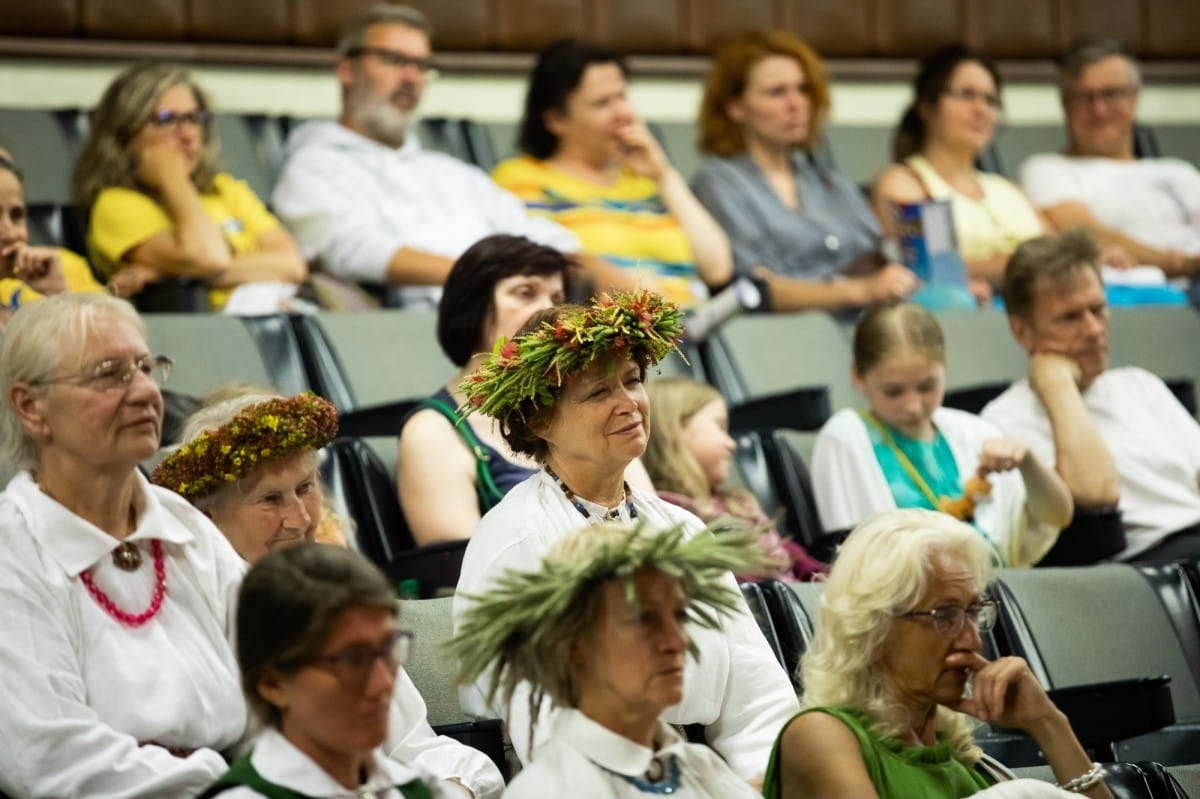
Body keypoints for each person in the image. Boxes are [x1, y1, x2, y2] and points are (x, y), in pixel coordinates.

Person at [453, 289, 798, 781]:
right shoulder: (513, 537)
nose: (629, 404)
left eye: (633, 381)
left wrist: (765, 782)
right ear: (538, 420)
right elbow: (532, 719)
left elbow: (759, 702)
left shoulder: (681, 529)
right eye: (598, 393)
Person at [154, 391, 506, 798]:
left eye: (305, 486)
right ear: (206, 514)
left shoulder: (333, 598)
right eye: (270, 499)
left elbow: (416, 747)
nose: (301, 519)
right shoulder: (179, 621)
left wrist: (457, 790)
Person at [0, 293, 246, 798]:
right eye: (110, 373)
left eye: (147, 367)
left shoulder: (183, 524)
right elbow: (50, 756)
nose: (145, 392)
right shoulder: (12, 550)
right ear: (30, 407)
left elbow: (280, 676)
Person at [272, 4, 628, 308]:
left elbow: (533, 233)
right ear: (347, 70)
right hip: (425, 332)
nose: (411, 77)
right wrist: (488, 280)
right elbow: (354, 249)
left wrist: (600, 272)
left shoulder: (451, 172)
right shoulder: (315, 164)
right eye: (394, 60)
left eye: (422, 65)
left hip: (514, 319)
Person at [764, 508, 1114, 799]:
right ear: (874, 625)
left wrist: (1048, 723)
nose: (972, 640)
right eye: (944, 615)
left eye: (974, 612)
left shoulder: (962, 758)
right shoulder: (821, 735)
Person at [451, 521, 767, 797]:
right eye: (643, 620)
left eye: (680, 615)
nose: (676, 640)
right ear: (572, 644)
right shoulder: (553, 791)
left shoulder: (698, 765)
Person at [982, 229, 1200, 561]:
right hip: (1147, 570)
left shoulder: (1140, 384)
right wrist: (1056, 385)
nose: (1094, 330)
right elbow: (1096, 495)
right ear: (1021, 331)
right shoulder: (1003, 421)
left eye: (1098, 309)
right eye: (1070, 317)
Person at [811, 302, 1072, 567]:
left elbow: (1058, 515)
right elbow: (850, 560)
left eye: (927, 387)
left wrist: (1028, 462)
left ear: (945, 369)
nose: (913, 406)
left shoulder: (975, 431)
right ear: (857, 376)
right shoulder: (845, 437)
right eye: (894, 391)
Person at [200, 544, 454, 798]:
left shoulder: (418, 787)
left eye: (387, 649)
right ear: (273, 684)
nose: (383, 684)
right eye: (353, 661)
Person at [493, 39, 732, 308]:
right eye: (602, 103)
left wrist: (664, 176)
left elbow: (717, 269)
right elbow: (538, 262)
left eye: (622, 97)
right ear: (555, 120)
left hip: (690, 331)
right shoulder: (522, 177)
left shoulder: (645, 182)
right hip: (604, 336)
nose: (623, 113)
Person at [692, 30, 919, 312]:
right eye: (777, 92)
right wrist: (857, 291)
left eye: (802, 89)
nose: (796, 104)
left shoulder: (832, 183)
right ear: (735, 107)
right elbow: (752, 288)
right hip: (787, 337)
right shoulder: (718, 183)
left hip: (866, 326)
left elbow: (881, 256)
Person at [72, 64, 307, 310]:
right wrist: (172, 179)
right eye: (167, 120)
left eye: (194, 119)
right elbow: (210, 258)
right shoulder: (116, 204)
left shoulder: (225, 189)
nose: (188, 135)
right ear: (124, 136)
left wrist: (170, 274)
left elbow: (292, 265)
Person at [397, 235, 568, 545]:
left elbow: (646, 520)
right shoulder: (432, 431)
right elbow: (463, 570)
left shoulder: (586, 405)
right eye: (525, 293)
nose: (549, 311)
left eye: (557, 299)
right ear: (472, 306)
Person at [1019, 38, 1200, 286]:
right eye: (1084, 97)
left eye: (1111, 94)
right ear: (1064, 104)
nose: (1099, 110)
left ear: (1135, 98)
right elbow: (1085, 236)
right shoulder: (1047, 169)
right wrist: (1182, 264)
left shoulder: (1180, 171)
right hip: (1145, 295)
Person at [872, 45, 1049, 291]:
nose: (980, 110)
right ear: (927, 105)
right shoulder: (904, 182)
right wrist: (1023, 264)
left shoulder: (1007, 189)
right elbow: (932, 268)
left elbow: (1061, 254)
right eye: (966, 94)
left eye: (990, 100)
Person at [642, 376, 826, 580]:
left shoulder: (737, 502)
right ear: (673, 429)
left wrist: (819, 575)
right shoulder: (668, 512)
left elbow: (789, 553)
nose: (732, 444)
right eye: (720, 427)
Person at [0, 147, 104, 309]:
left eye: (17, 216)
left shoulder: (63, 266)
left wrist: (59, 295)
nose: (12, 234)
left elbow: (117, 331)